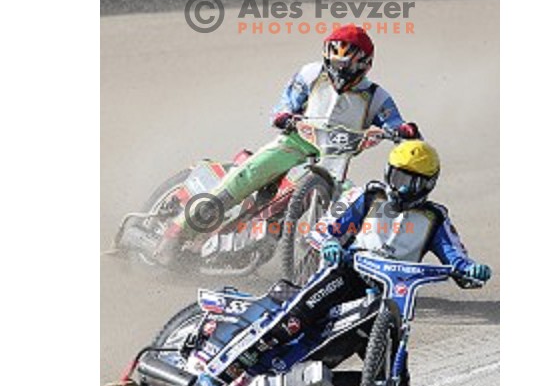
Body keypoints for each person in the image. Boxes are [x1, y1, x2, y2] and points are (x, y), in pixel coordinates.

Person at [196, 140, 492, 386]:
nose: (400, 186)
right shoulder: (368, 196)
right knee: (292, 321)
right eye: (397, 175)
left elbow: (455, 256)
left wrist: (470, 270)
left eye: (410, 181)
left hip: (389, 295)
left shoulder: (434, 218)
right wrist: (329, 244)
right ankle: (217, 374)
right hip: (346, 274)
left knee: (393, 385)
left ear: (427, 184)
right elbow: (326, 228)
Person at [154, 23, 419, 264]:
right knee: (246, 175)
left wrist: (403, 130)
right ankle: (176, 233)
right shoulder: (310, 74)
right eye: (333, 62)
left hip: (335, 160)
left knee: (352, 204)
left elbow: (393, 122)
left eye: (346, 66)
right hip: (294, 143)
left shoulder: (375, 96)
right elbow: (285, 104)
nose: (338, 71)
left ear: (364, 64)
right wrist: (283, 116)